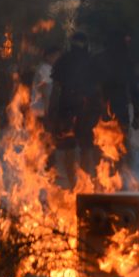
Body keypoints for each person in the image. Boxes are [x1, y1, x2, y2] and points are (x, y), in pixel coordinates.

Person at [48, 33, 95, 186]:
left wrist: (51, 111)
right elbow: (98, 89)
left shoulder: (63, 60)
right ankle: (84, 184)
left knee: (69, 146)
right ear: (85, 44)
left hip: (66, 108)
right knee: (85, 147)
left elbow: (55, 89)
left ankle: (73, 183)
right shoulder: (90, 61)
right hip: (85, 109)